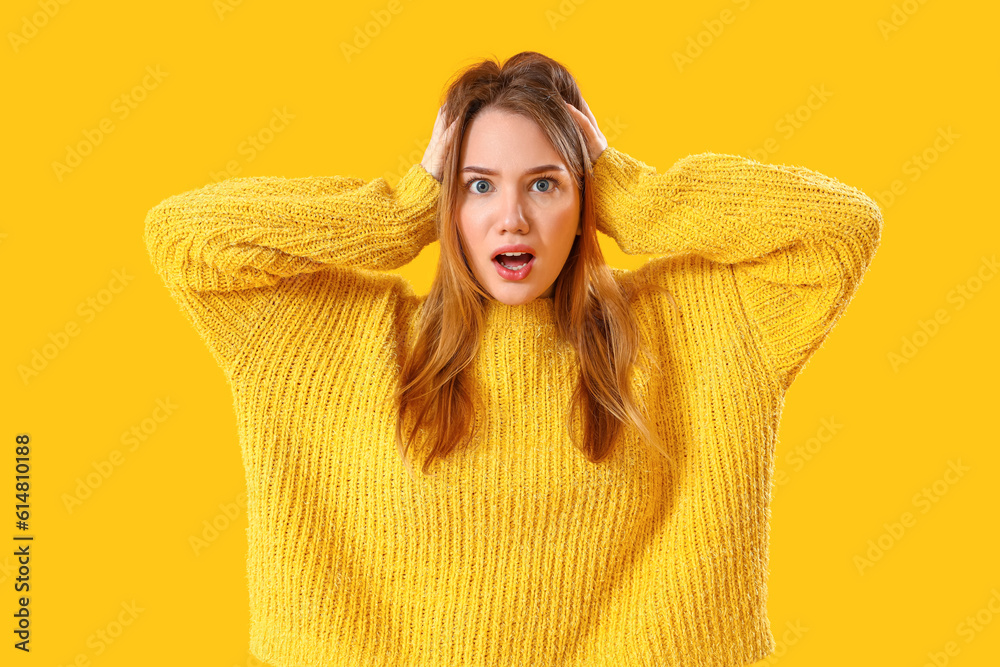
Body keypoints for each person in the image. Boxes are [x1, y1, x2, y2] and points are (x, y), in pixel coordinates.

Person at [144, 51, 882, 667]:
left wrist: (627, 187)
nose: (512, 218)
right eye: (477, 185)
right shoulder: (343, 342)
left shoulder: (688, 328)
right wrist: (403, 208)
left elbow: (839, 231)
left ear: (583, 198)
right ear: (449, 202)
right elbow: (187, 241)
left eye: (544, 183)